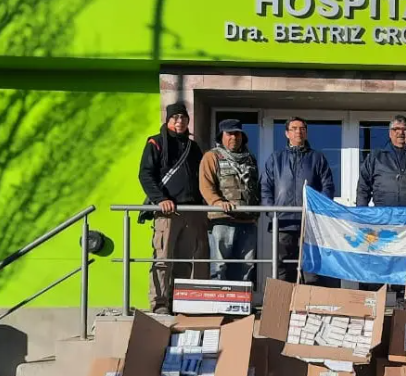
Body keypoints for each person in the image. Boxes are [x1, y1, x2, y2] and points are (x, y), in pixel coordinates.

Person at [137, 101, 208, 314]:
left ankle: (179, 303)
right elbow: (146, 174)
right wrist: (160, 199)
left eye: (183, 118)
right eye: (175, 118)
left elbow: (200, 179)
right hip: (167, 212)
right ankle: (160, 304)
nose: (179, 122)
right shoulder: (155, 143)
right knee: (163, 260)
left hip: (191, 213)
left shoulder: (193, 147)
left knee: (184, 262)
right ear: (168, 120)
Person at [261, 117, 335, 283]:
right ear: (287, 133)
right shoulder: (276, 158)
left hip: (310, 223)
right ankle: (283, 305)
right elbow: (265, 187)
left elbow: (327, 186)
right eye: (294, 128)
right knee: (282, 268)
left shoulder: (317, 158)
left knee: (311, 268)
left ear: (306, 133)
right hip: (283, 223)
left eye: (302, 128)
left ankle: (308, 305)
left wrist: (319, 211)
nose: (298, 132)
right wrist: (270, 211)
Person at [199, 119, 261, 283]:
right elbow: (205, 185)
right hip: (222, 219)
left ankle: (240, 305)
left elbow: (256, 187)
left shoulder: (250, 159)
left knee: (246, 266)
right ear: (222, 136)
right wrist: (217, 202)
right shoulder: (211, 156)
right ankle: (219, 306)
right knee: (219, 266)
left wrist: (257, 214)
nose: (234, 137)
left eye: (237, 133)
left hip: (248, 220)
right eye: (230, 133)